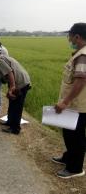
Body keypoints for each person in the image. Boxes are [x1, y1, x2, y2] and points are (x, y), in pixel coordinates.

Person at [52, 23, 86, 179]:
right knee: (69, 133)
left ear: (77, 37)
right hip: (75, 105)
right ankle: (68, 157)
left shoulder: (82, 56)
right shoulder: (79, 53)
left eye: (70, 36)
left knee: (75, 137)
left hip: (77, 106)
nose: (69, 39)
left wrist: (65, 102)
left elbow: (80, 81)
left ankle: (75, 168)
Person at [0, 44, 31, 134]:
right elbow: (7, 72)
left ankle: (15, 129)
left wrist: (11, 88)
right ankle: (9, 122)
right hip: (20, 81)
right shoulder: (3, 58)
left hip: (21, 83)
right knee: (12, 103)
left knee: (17, 106)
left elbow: (10, 73)